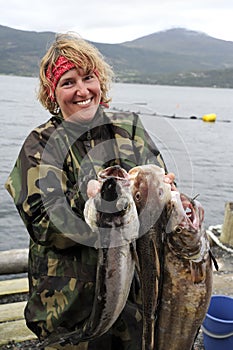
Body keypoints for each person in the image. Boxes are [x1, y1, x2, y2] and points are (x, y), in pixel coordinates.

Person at [5, 33, 175, 350]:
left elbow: (156, 202)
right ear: (52, 93)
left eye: (88, 78)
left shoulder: (130, 127)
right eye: (68, 82)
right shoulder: (39, 144)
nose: (82, 91)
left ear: (101, 81)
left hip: (133, 304)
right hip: (66, 308)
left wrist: (165, 195)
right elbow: (43, 224)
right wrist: (91, 200)